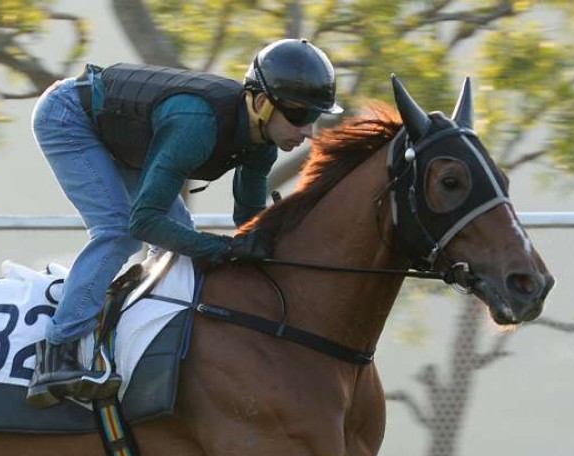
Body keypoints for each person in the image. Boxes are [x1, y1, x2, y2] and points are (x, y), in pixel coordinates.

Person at [27, 38, 343, 408]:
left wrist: (279, 243)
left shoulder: (263, 144)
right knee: (118, 232)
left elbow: (248, 220)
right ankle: (56, 353)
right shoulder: (197, 125)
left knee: (178, 241)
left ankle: (136, 339)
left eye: (314, 117)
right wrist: (224, 249)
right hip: (68, 116)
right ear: (261, 103)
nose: (308, 132)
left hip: (120, 135)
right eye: (300, 116)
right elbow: (144, 222)